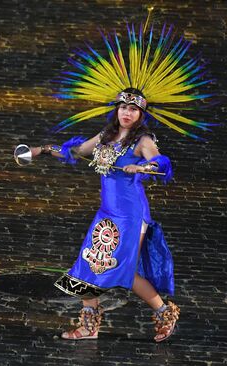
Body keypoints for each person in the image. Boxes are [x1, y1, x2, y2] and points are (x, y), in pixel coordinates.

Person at [28, 88, 179, 342]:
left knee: (125, 270)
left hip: (131, 215)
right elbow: (75, 152)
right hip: (107, 212)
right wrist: (42, 150)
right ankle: (89, 326)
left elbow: (159, 161)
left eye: (133, 109)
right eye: (123, 108)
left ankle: (165, 313)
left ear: (141, 114)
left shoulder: (143, 141)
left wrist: (142, 166)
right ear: (116, 109)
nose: (127, 113)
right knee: (89, 262)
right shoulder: (106, 136)